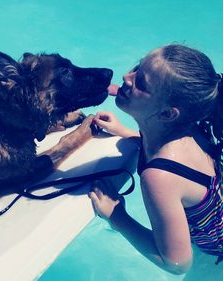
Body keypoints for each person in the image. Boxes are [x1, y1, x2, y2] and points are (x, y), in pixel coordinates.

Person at [88, 44, 223, 275]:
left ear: (168, 114)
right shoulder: (189, 128)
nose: (126, 77)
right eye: (136, 68)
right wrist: (125, 132)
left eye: (141, 83)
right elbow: (172, 158)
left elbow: (177, 263)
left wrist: (117, 216)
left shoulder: (159, 177)